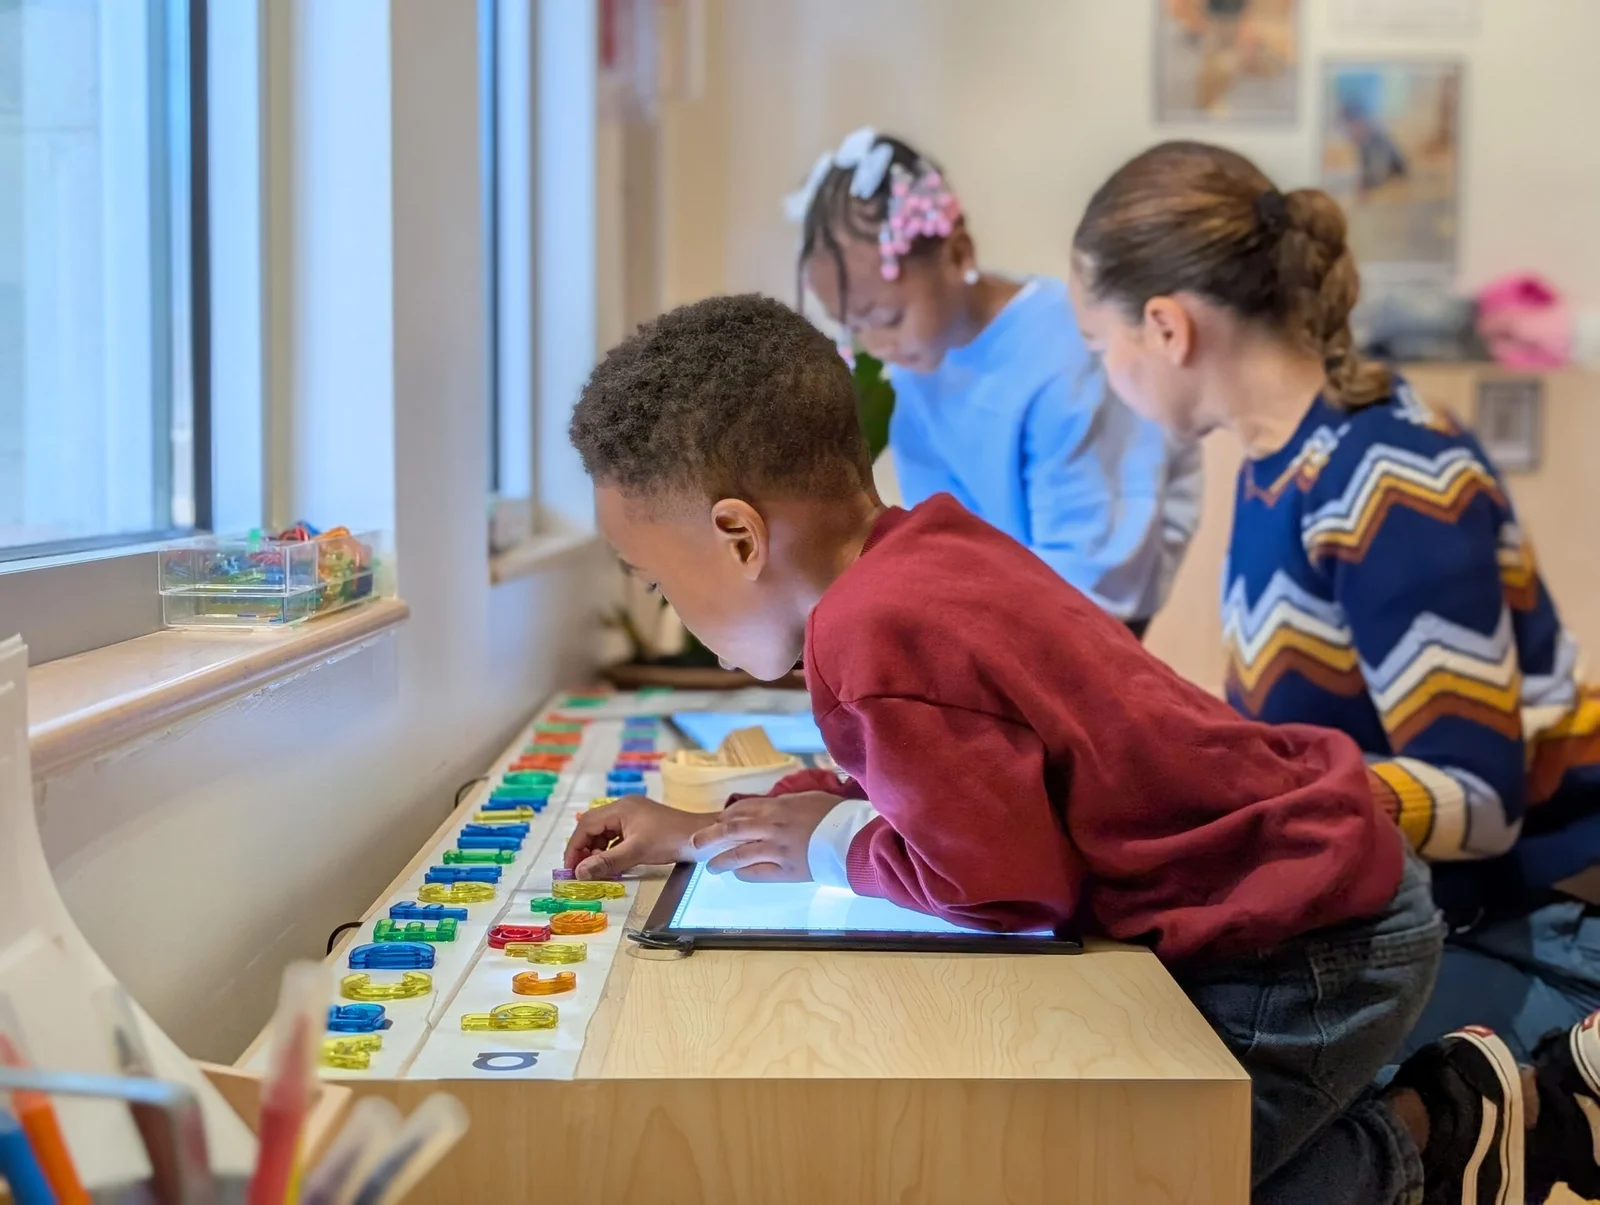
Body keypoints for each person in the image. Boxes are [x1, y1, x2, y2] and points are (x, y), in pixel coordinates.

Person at [560, 291, 1596, 1203]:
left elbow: (1004, 886)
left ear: (739, 536)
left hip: (1310, 941)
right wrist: (712, 831)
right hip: (1310, 890)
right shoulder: (922, 551)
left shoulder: (869, 633)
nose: (669, 610)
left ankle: (1447, 1131)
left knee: (1127, 1181)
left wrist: (828, 839)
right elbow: (942, 776)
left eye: (659, 582)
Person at [1069, 138, 1600, 1202]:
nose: (1104, 372)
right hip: (1425, 906)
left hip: (1529, 917)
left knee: (1225, 1145)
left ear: (1166, 327)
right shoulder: (1280, 465)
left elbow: (1484, 800)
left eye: (1099, 343)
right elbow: (1300, 733)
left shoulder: (1388, 475)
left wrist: (1251, 795)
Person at [788, 128, 1201, 638]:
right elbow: (944, 547)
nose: (876, 344)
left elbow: (1095, 577)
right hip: (1003, 627)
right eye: (854, 325)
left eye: (889, 317)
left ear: (959, 254)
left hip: (1086, 630)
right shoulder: (922, 366)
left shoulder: (1064, 352)